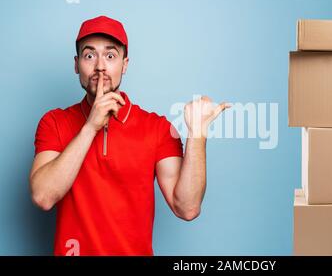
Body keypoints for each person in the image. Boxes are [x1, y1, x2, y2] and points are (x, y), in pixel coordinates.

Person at [29, 15, 228, 256]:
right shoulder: (54, 122)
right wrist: (90, 127)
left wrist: (197, 136)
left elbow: (187, 208)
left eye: (110, 56)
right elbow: (43, 196)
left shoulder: (157, 128)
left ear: (124, 65)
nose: (100, 66)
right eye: (89, 55)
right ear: (76, 64)